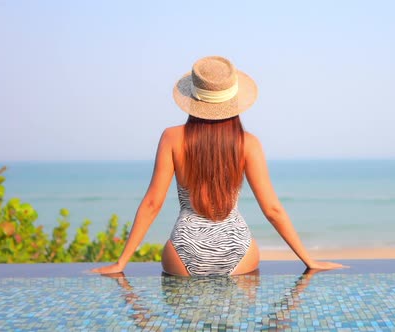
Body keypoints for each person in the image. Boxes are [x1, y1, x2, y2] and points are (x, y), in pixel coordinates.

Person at [91, 56, 344, 276]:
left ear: (192, 97)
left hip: (184, 249)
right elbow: (272, 209)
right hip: (237, 250)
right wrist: (308, 260)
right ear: (234, 99)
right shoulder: (248, 143)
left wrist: (121, 262)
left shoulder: (172, 137)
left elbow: (152, 204)